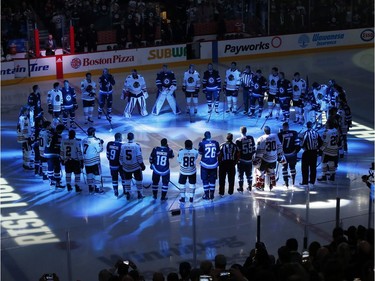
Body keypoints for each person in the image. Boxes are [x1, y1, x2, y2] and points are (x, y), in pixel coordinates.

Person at [254, 126, 284, 191]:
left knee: (260, 171)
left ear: (264, 131)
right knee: (271, 171)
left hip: (265, 159)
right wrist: (279, 155)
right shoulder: (275, 136)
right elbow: (279, 146)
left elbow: (259, 151)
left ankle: (260, 185)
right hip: (273, 159)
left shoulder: (261, 138)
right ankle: (272, 183)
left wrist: (257, 159)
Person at [119, 132, 146, 200]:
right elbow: (139, 157)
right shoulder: (136, 146)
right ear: (133, 137)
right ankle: (139, 193)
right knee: (138, 180)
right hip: (135, 167)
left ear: (127, 138)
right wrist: (142, 165)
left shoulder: (123, 146)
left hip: (126, 167)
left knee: (127, 180)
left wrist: (122, 164)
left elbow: (121, 157)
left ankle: (128, 193)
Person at [81, 127, 105, 194]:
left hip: (86, 161)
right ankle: (97, 188)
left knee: (89, 174)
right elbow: (99, 150)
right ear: (93, 133)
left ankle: (90, 187)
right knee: (97, 174)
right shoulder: (95, 141)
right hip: (94, 160)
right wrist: (101, 143)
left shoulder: (84, 140)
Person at [277, 122, 301, 188]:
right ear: (288, 127)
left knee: (284, 168)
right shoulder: (294, 133)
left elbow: (278, 146)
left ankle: (286, 184)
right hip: (292, 154)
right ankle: (293, 183)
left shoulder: (280, 134)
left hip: (284, 155)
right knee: (292, 167)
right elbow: (297, 144)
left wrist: (278, 155)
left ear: (283, 127)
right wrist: (295, 152)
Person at [198, 131, 220, 200]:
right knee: (212, 179)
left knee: (205, 180)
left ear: (204, 136)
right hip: (214, 164)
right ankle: (212, 194)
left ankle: (207, 195)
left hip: (205, 164)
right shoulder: (216, 143)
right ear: (210, 136)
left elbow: (200, 152)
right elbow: (218, 153)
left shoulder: (202, 143)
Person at [300, 121, 323, 187]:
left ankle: (305, 182)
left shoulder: (306, 133)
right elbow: (321, 142)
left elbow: (302, 143)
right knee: (313, 167)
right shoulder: (316, 133)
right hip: (314, 152)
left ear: (307, 126)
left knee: (305, 168)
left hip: (307, 152)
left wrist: (303, 147)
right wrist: (318, 149)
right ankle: (312, 182)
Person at [235, 126, 256, 192]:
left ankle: (241, 188)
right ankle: (250, 187)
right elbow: (253, 149)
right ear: (246, 131)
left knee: (240, 175)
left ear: (240, 131)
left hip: (242, 160)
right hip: (249, 160)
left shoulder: (238, 140)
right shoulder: (251, 138)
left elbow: (237, 152)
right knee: (249, 174)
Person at [44, 124, 65, 188]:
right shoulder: (58, 136)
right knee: (57, 167)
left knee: (50, 167)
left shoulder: (50, 133)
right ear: (60, 130)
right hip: (53, 153)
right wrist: (61, 156)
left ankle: (52, 181)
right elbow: (58, 146)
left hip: (47, 152)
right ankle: (57, 182)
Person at [106, 132, 126, 197]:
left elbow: (108, 155)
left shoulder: (109, 144)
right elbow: (122, 157)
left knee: (114, 178)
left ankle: (115, 191)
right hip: (119, 165)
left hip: (112, 165)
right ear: (119, 138)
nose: (122, 138)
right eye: (121, 137)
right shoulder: (122, 146)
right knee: (123, 177)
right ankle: (125, 190)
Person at [17, 106, 34, 170]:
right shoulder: (25, 118)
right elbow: (24, 128)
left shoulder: (21, 117)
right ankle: (26, 165)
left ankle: (25, 163)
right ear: (25, 111)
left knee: (25, 150)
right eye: (28, 111)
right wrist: (27, 137)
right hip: (25, 137)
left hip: (23, 137)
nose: (28, 112)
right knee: (28, 151)